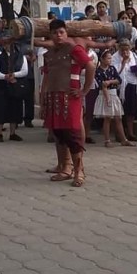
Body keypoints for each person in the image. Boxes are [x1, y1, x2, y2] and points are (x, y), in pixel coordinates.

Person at [41, 19, 95, 187]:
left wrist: (84, 90)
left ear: (66, 33)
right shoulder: (48, 54)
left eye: (61, 32)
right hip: (53, 97)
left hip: (70, 97)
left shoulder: (74, 49)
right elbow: (47, 77)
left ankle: (79, 171)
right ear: (50, 35)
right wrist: (43, 97)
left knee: (73, 133)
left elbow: (90, 65)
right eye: (55, 33)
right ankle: (65, 168)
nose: (58, 36)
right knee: (58, 133)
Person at [94, 51, 133, 147]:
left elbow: (119, 80)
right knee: (107, 118)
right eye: (108, 58)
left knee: (118, 117)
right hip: (105, 94)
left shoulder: (112, 68)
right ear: (102, 59)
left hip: (114, 93)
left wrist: (109, 81)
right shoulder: (98, 71)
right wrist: (107, 98)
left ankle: (124, 139)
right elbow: (102, 85)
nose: (110, 60)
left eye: (111, 58)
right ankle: (107, 140)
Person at [0, 42, 28, 142]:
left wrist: (14, 75)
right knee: (0, 109)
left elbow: (24, 71)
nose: (8, 46)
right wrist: (5, 76)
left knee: (14, 109)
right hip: (1, 86)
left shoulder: (21, 57)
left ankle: (12, 133)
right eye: (6, 44)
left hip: (15, 86)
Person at [112, 38, 137, 142]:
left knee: (131, 110)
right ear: (119, 48)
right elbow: (114, 72)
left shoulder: (133, 55)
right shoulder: (114, 57)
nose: (125, 52)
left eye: (127, 49)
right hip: (121, 86)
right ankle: (119, 134)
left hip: (132, 83)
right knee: (120, 111)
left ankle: (130, 132)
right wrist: (123, 62)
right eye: (122, 49)